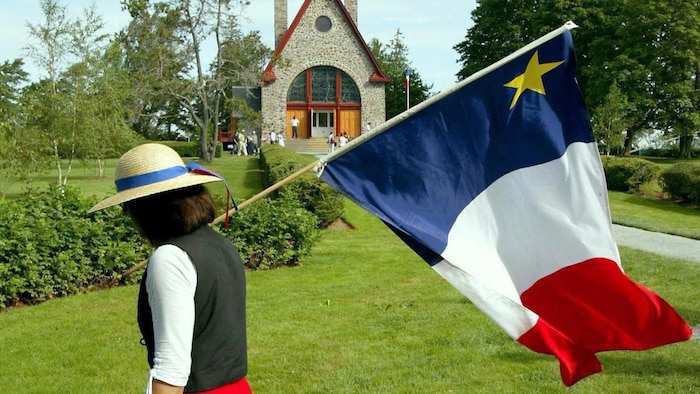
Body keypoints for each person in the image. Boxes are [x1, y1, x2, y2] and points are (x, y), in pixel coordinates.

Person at [88, 143, 251, 394]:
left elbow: (171, 370)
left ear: (144, 208)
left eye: (126, 206)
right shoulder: (220, 244)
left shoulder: (170, 259)